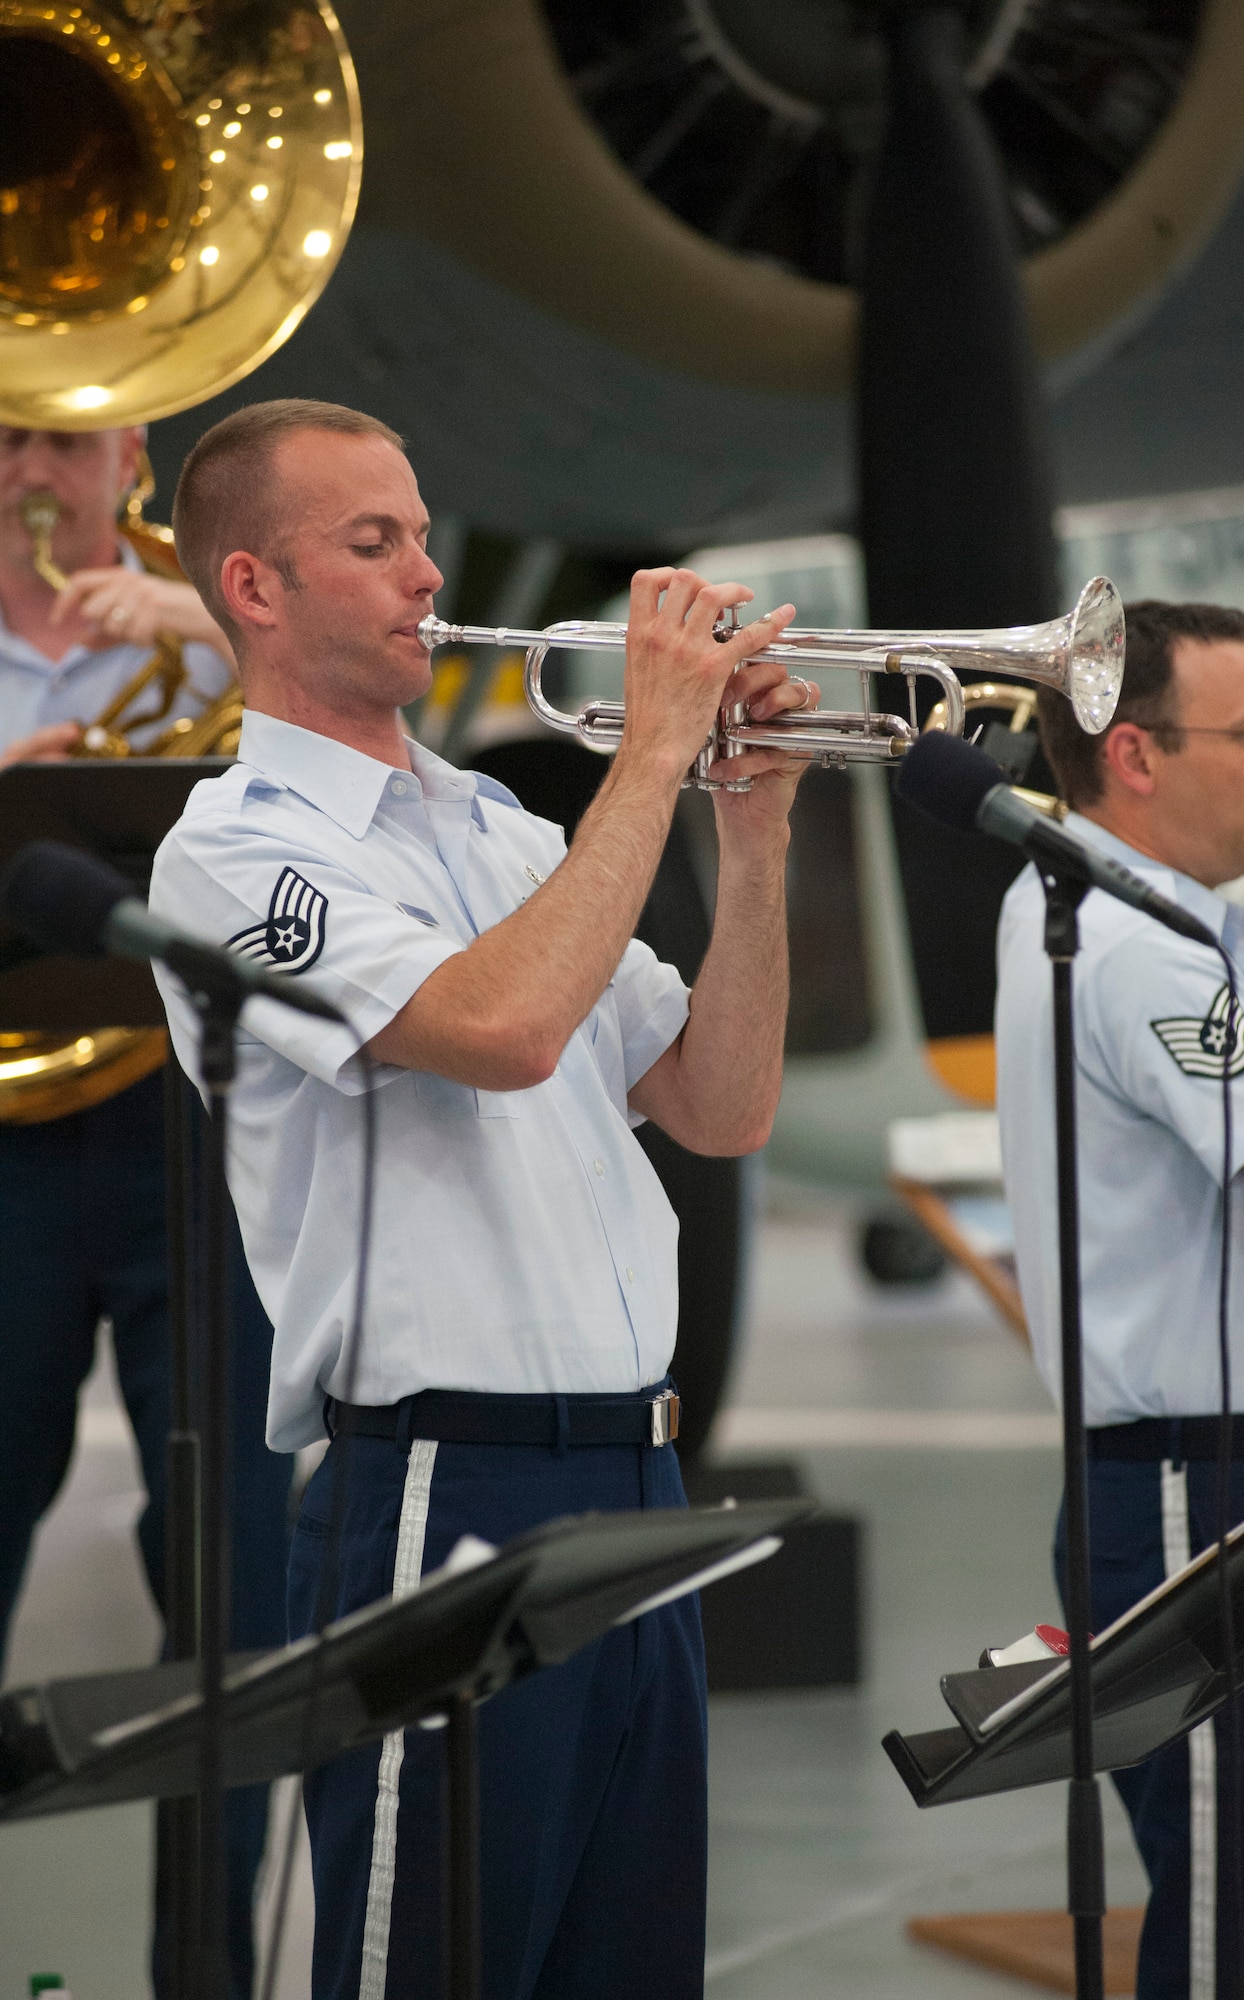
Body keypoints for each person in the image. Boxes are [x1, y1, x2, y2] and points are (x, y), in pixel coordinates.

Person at [147, 396, 811, 2000]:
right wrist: (653, 752)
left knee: (622, 1963)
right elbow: (499, 1033)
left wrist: (757, 828)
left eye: (423, 533)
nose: (426, 573)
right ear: (255, 587)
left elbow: (719, 1107)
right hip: (443, 1488)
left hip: (636, 1486)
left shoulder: (509, 836)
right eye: (371, 542)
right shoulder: (234, 850)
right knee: (435, 1962)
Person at [997, 598, 1244, 1999]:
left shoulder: (1177, 926)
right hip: (1209, 1488)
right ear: (1133, 754)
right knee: (1243, 1914)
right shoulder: (1125, 944)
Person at [0, 423, 294, 2000]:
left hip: (190, 1126)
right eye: (5, 432)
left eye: (66, 434)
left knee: (236, 1577)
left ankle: (209, 1977)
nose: (33, 467)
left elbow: (384, 759)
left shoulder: (208, 621)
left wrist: (217, 623)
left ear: (130, 446)